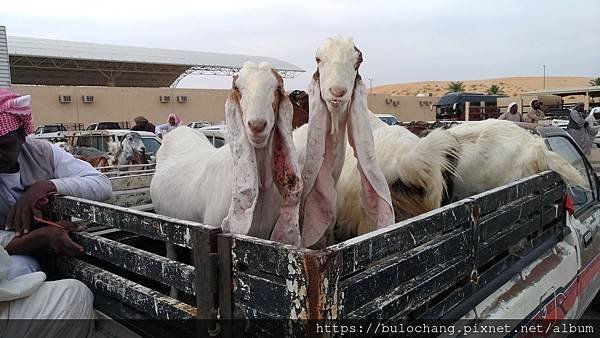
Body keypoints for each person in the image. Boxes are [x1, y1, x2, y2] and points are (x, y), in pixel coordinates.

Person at [0, 89, 109, 334]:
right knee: (18, 268)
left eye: (4, 145)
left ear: (21, 136)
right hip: (13, 259)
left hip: (44, 251)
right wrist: (41, 237)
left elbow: (102, 184)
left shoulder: (43, 153)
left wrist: (46, 186)